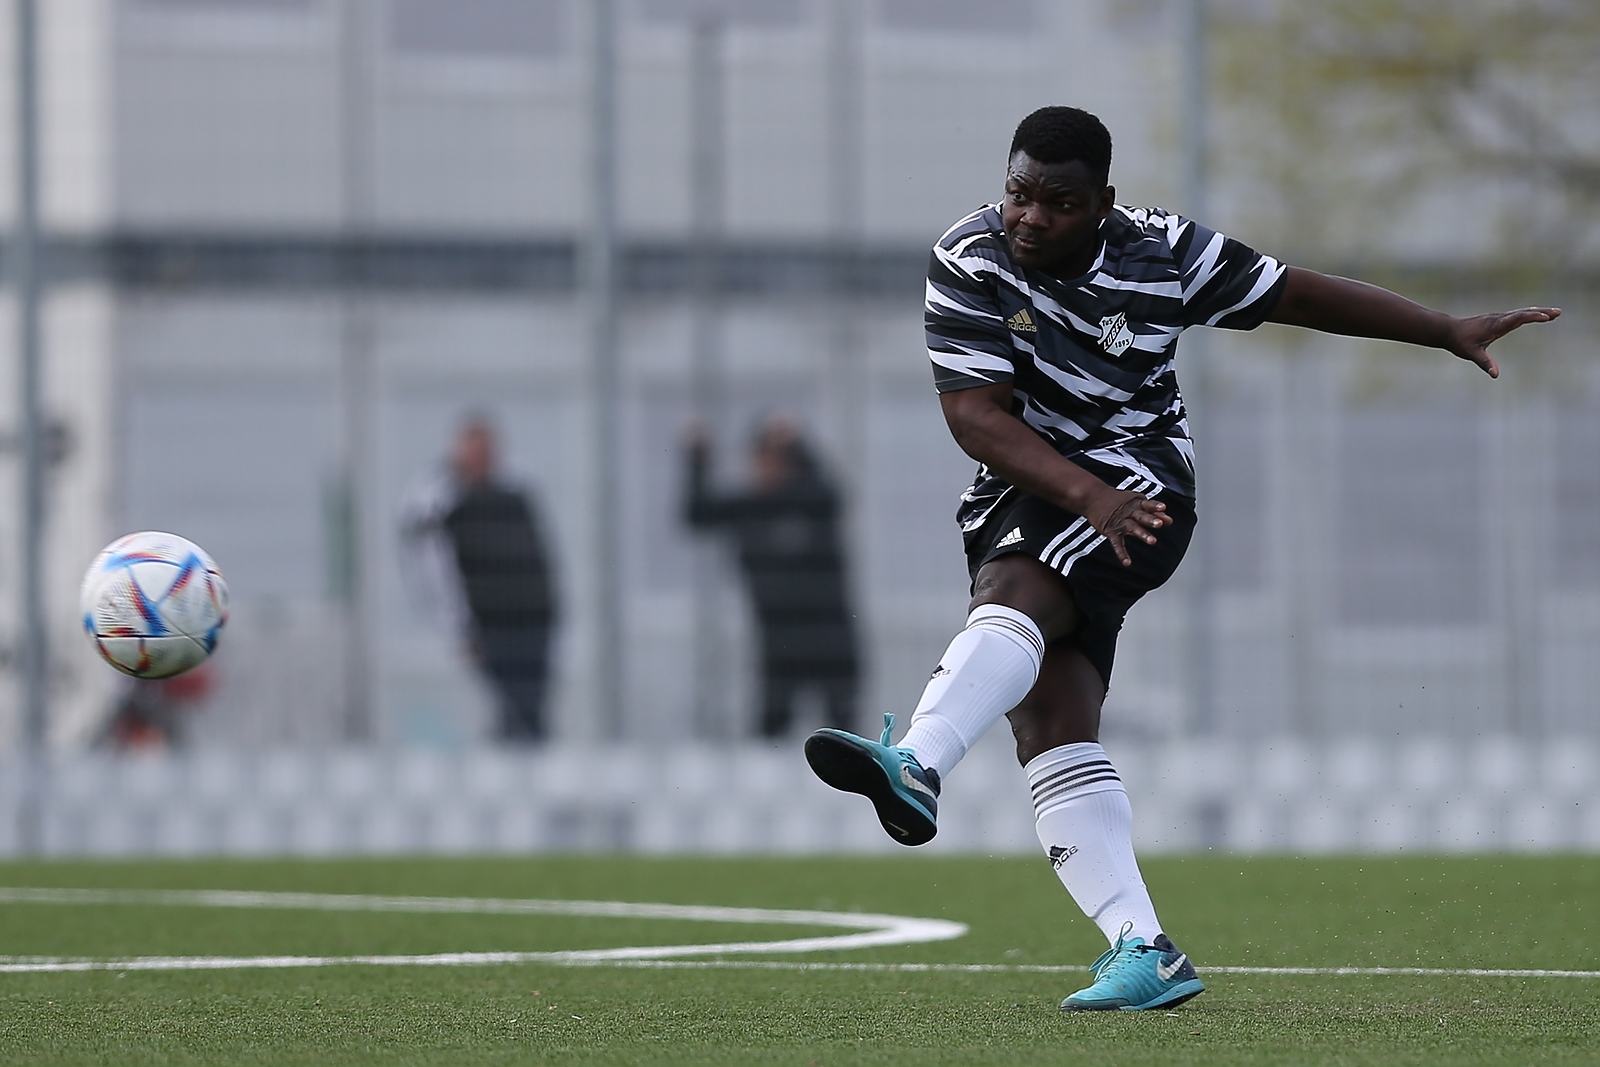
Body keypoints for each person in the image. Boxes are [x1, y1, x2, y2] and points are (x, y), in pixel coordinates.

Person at [803, 106, 1559, 1012]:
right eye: (1019, 192)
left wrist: (1442, 329)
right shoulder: (969, 259)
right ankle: (1144, 947)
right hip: (1033, 488)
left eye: (1059, 201)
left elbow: (1295, 293)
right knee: (1050, 724)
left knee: (1013, 591)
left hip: (1142, 483)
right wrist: (1083, 497)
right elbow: (975, 417)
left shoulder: (1160, 253)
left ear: (1103, 206)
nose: (1031, 216)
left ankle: (918, 761)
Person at [683, 413, 860, 737]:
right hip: (778, 644)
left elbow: (833, 494)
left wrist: (798, 445)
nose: (766, 468)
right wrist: (696, 460)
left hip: (830, 640)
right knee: (772, 733)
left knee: (841, 737)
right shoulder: (749, 507)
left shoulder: (810, 502)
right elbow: (696, 514)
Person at [400, 417, 559, 742]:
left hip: (532, 618)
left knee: (531, 711)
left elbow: (540, 554)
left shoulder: (516, 491)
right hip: (488, 625)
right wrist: (458, 628)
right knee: (512, 708)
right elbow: (435, 574)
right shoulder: (439, 504)